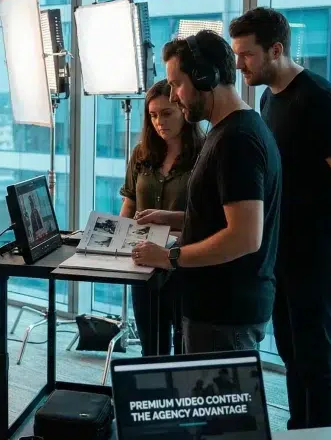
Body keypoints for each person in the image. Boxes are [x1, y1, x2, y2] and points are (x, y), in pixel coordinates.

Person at [229, 7, 331, 429]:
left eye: (247, 54)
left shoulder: (319, 98)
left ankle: (322, 436)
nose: (239, 64)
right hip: (284, 246)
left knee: (314, 353)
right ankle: (301, 430)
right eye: (237, 54)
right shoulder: (268, 97)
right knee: (291, 350)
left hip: (320, 250)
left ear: (276, 50)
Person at [130, 30, 281, 354]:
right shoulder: (228, 130)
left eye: (177, 84)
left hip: (223, 314)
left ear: (204, 77)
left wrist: (169, 257)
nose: (174, 96)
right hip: (215, 309)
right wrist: (169, 217)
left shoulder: (237, 140)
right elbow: (221, 217)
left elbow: (244, 237)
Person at [119, 79, 204, 356]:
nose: (159, 122)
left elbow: (210, 218)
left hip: (185, 264)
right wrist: (116, 240)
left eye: (166, 113)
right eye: (153, 115)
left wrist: (168, 221)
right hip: (144, 263)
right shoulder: (141, 153)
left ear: (183, 109)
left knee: (185, 349)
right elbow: (129, 205)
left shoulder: (204, 154)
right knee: (151, 349)